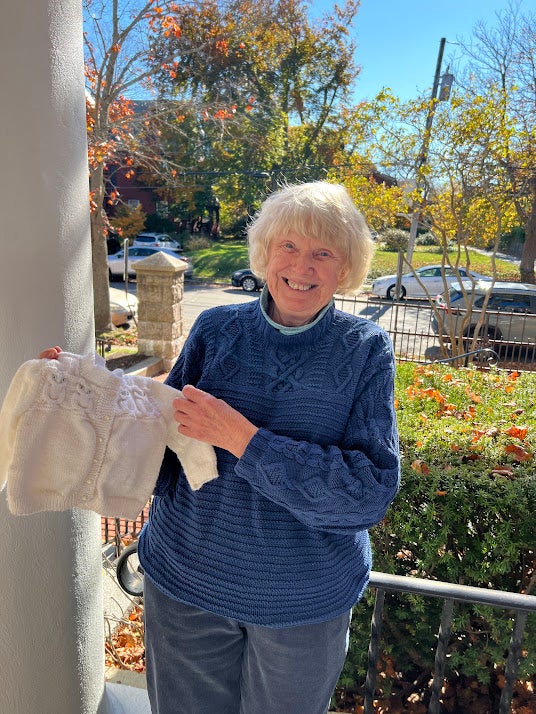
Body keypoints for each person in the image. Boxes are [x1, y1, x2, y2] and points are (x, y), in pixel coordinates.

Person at [41, 181, 400, 714]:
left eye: (324, 252)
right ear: (264, 253)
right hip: (185, 584)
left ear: (345, 268)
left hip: (301, 604)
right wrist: (82, 392)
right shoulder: (215, 329)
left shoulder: (364, 349)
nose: (302, 266)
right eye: (289, 246)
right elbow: (159, 447)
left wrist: (243, 440)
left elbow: (367, 494)